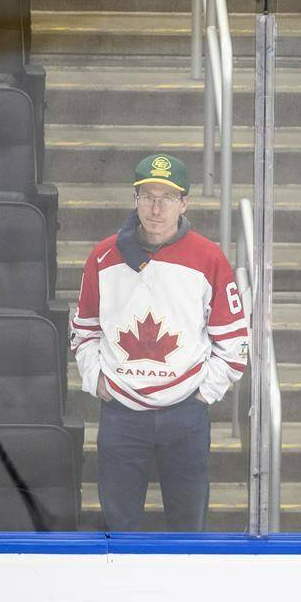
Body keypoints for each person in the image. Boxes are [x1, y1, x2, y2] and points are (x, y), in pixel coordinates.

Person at [71, 153, 249, 532]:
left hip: (185, 413)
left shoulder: (209, 258)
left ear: (184, 203)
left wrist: (204, 392)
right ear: (134, 199)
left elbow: (234, 340)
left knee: (189, 527)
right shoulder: (102, 257)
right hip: (120, 412)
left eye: (167, 197)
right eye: (148, 195)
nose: (156, 207)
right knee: (117, 527)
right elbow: (83, 330)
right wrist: (96, 380)